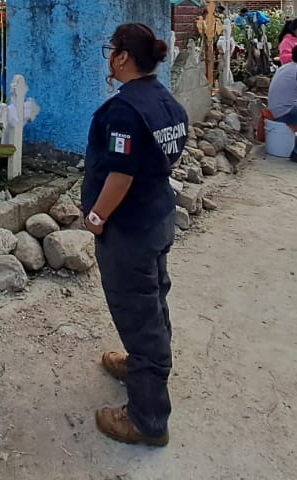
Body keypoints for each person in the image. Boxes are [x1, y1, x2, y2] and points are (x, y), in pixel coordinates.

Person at [82, 23, 188, 446]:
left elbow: (121, 175)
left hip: (129, 228)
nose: (109, 56)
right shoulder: (164, 100)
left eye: (112, 50)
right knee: (151, 298)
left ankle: (147, 419)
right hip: (156, 217)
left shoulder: (126, 110)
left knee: (138, 310)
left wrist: (97, 216)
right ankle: (140, 362)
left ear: (122, 56)